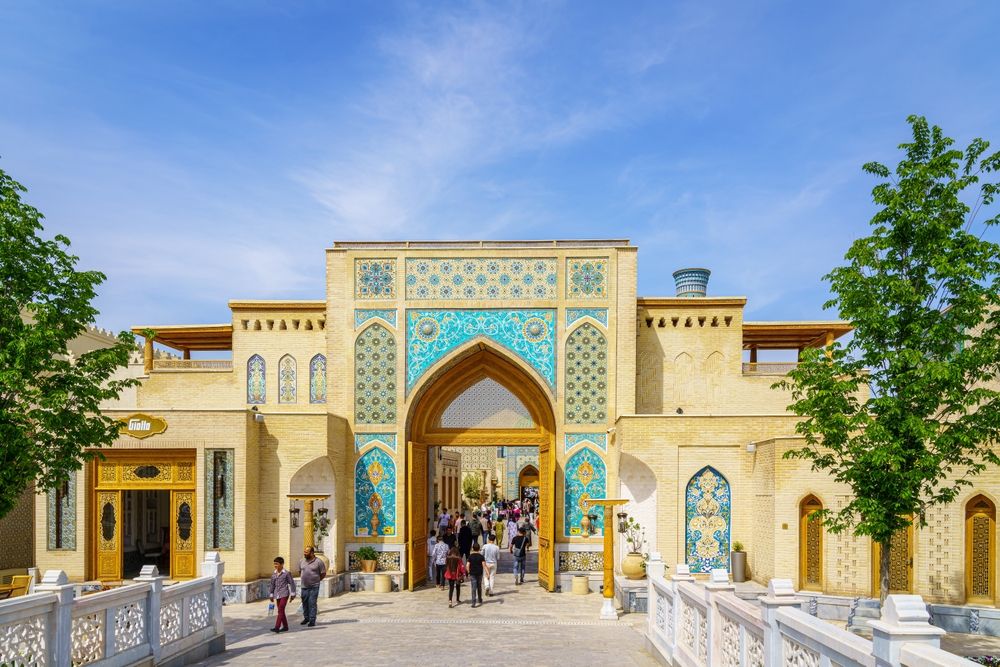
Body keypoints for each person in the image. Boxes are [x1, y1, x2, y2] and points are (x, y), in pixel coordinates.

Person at [298, 546, 326, 627]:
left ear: (312, 553)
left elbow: (323, 573)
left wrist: (316, 580)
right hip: (304, 586)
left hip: (314, 586)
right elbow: (300, 571)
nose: (304, 553)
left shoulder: (319, 562)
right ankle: (306, 618)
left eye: (306, 552)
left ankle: (312, 620)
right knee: (305, 603)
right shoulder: (301, 561)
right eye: (304, 552)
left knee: (312, 603)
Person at [268, 556, 296, 633]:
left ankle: (277, 627)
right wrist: (271, 594)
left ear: (282, 564)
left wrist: (293, 593)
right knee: (281, 611)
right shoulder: (274, 574)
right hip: (277, 594)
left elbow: (292, 583)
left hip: (284, 594)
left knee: (280, 610)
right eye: (274, 564)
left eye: (277, 564)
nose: (275, 566)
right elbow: (272, 585)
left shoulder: (286, 573)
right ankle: (285, 626)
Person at [467, 543, 486, 608]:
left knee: (473, 587)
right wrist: (488, 572)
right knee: (479, 586)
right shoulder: (481, 556)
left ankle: (473, 602)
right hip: (479, 573)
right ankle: (480, 599)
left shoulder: (470, 556)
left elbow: (467, 565)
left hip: (472, 573)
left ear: (472, 549)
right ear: (479, 549)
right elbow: (484, 565)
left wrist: (468, 572)